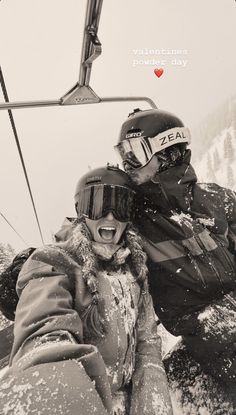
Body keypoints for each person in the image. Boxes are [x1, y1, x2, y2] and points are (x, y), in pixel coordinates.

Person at [0, 165, 173, 415]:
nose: (110, 217)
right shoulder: (54, 261)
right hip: (88, 400)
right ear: (81, 212)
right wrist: (57, 388)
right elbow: (46, 335)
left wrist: (152, 407)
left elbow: (147, 347)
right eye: (98, 204)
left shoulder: (136, 271)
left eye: (121, 205)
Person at [114, 108, 236, 401]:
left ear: (168, 151)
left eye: (136, 152)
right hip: (206, 337)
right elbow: (84, 244)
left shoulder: (217, 199)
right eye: (124, 153)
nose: (127, 164)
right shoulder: (131, 220)